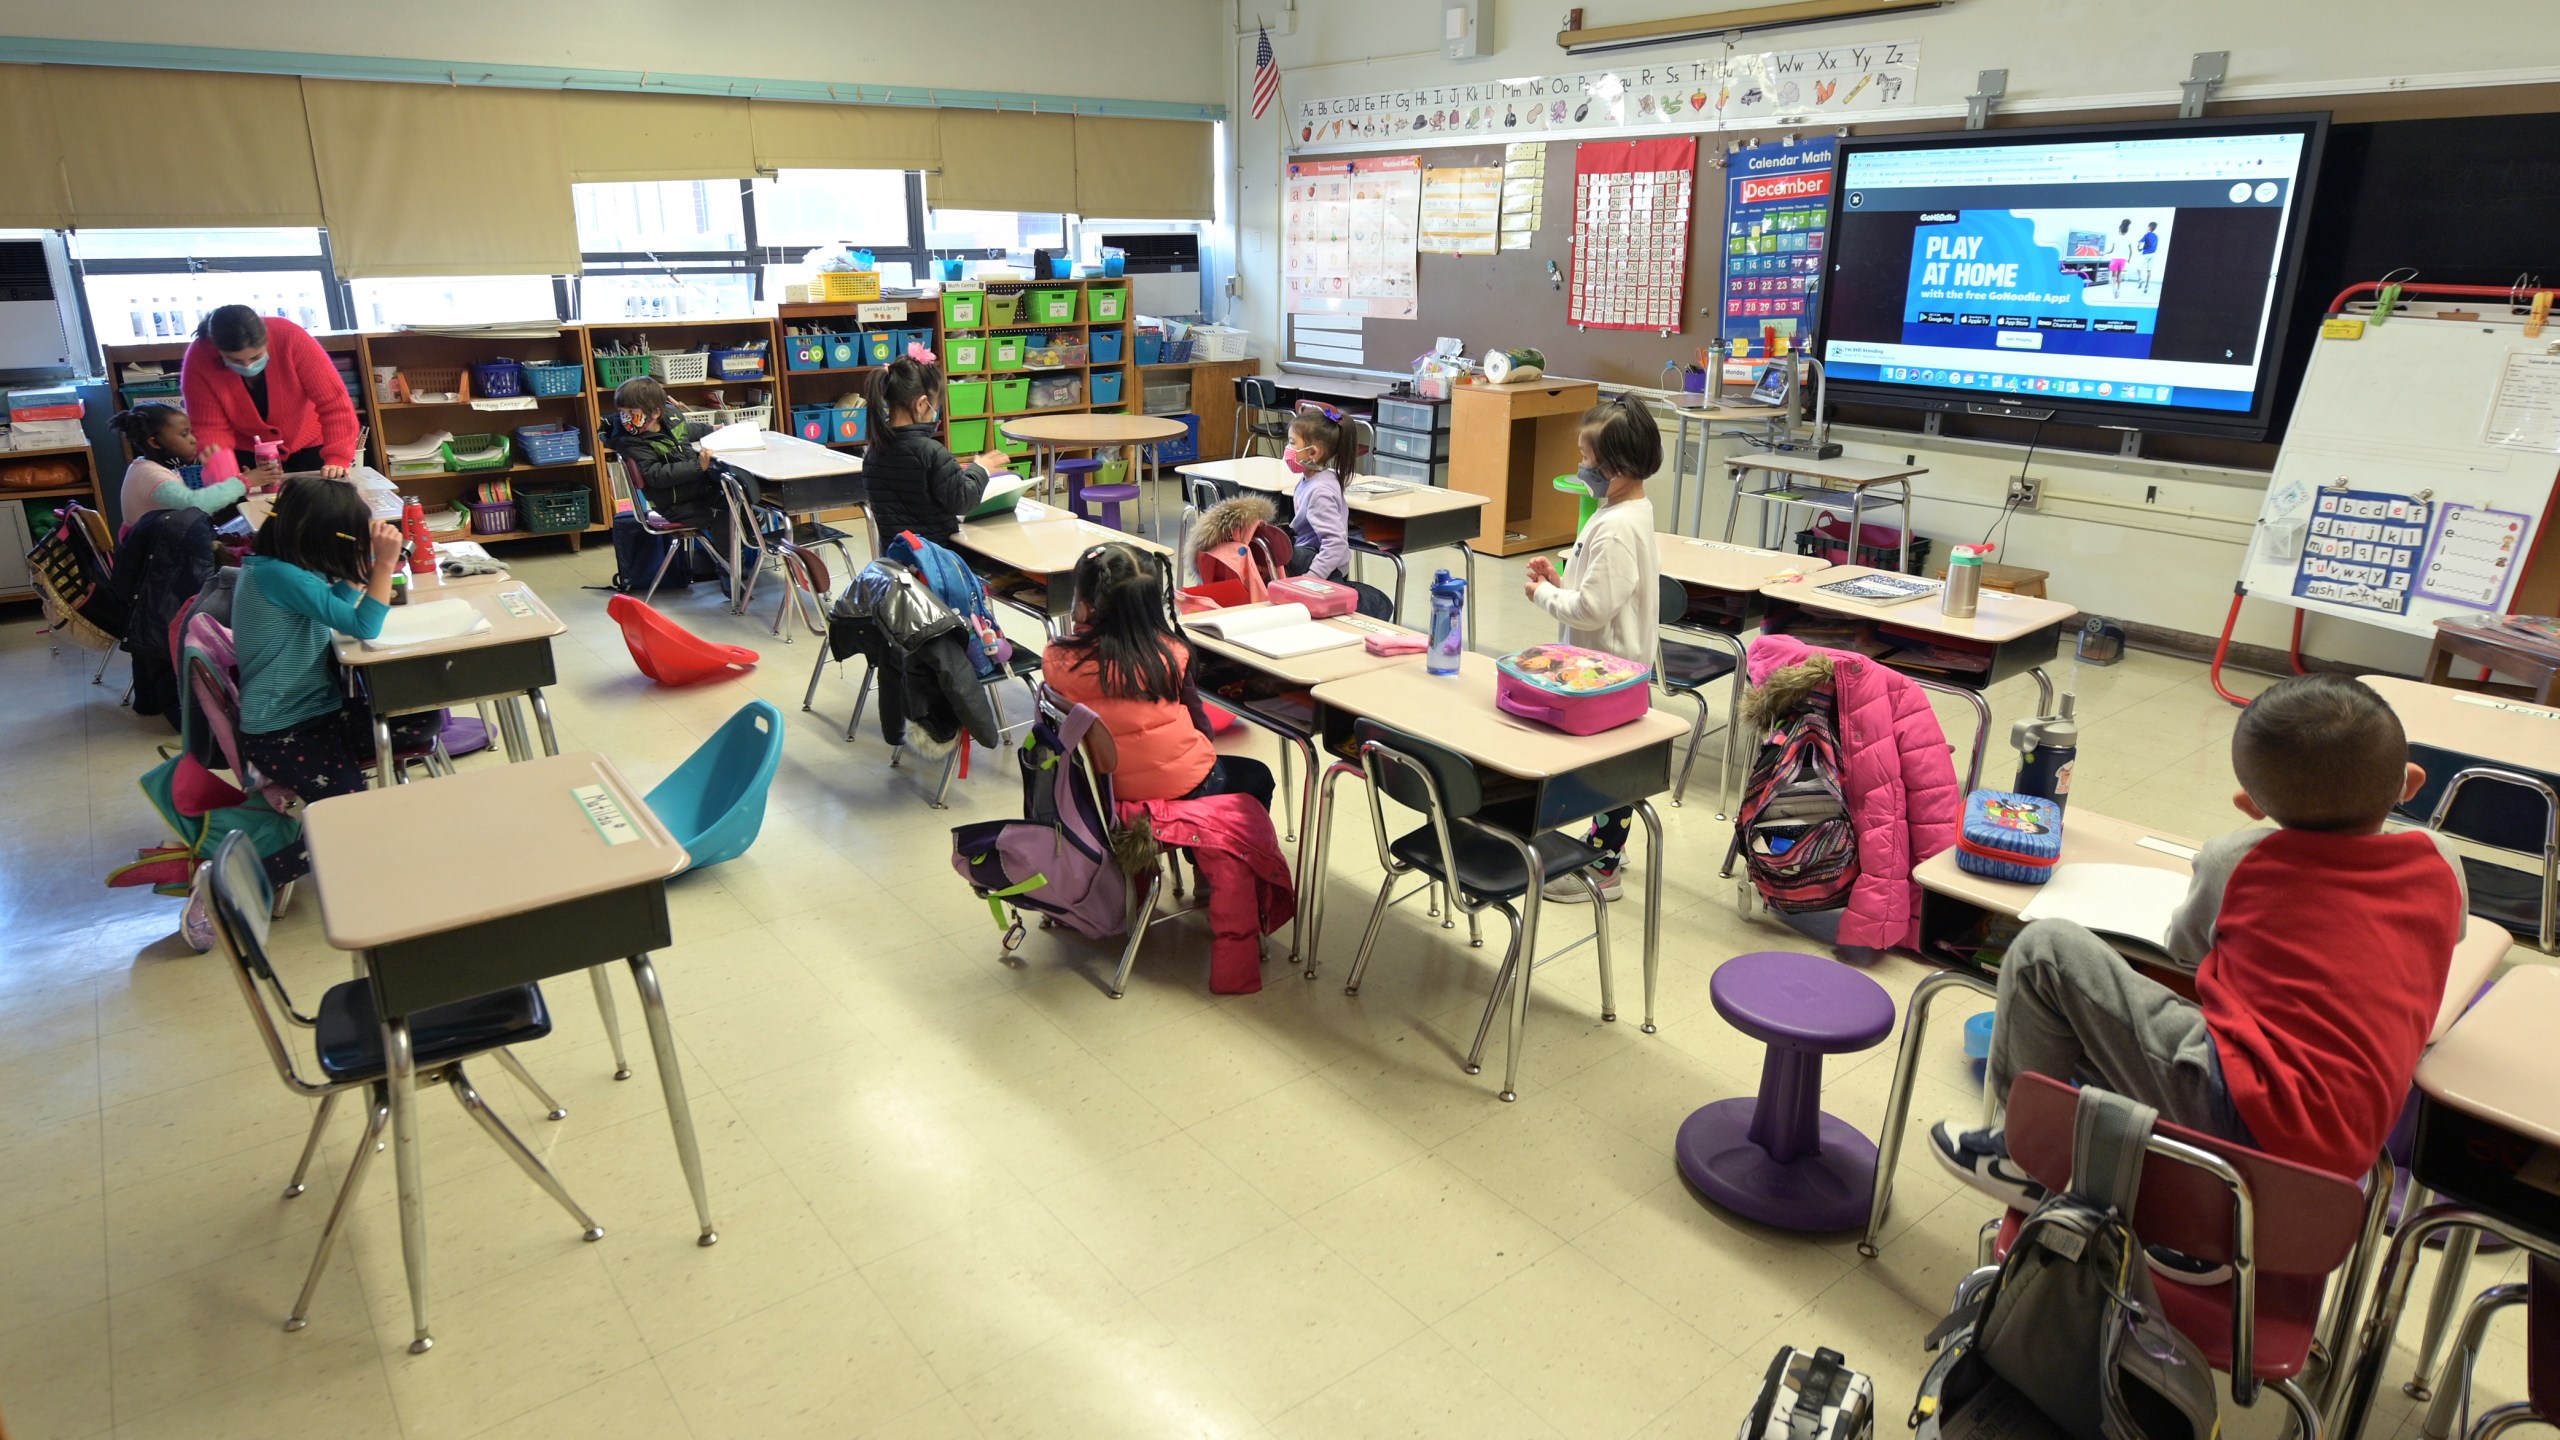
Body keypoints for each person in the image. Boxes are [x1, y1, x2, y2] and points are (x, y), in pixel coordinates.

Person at [1932, 674, 2465, 1226]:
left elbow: (2184, 950)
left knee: (2045, 951)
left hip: (2245, 1109)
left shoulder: (2237, 858)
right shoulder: (2441, 862)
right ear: (2411, 783)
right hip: (2354, 1139)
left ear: (2250, 804)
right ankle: (2115, 1162)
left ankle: (2027, 1158)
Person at [231, 476, 443, 885]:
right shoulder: (282, 576)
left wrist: (356, 580)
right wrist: (382, 565)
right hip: (283, 728)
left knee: (421, 720)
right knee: (348, 824)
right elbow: (365, 625)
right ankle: (239, 882)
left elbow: (328, 609)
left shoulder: (282, 568)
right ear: (323, 536)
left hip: (317, 711)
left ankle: (309, 778)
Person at [1530, 395, 1663, 903]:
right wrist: (1561, 580)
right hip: (1610, 662)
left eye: (1588, 459)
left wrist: (1544, 595)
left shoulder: (1616, 527)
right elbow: (1602, 592)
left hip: (1607, 672)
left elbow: (1590, 611)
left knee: (1606, 771)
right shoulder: (1626, 510)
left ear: (1620, 466)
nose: (1581, 467)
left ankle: (1604, 868)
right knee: (1608, 767)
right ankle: (1610, 844)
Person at [1045, 542, 1275, 809]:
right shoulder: (1170, 655)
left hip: (1097, 796)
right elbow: (1204, 730)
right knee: (1258, 776)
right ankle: (1208, 846)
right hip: (1174, 789)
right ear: (1151, 603)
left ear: (1083, 604)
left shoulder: (1055, 656)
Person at [180, 305, 360, 487]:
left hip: (308, 444)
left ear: (266, 340)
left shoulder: (290, 337)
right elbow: (210, 427)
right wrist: (226, 479)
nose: (248, 366)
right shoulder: (200, 357)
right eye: (236, 360)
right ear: (217, 350)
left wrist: (338, 457)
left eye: (256, 357)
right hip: (247, 453)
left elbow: (334, 402)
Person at [863, 352, 1009, 546]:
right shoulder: (932, 452)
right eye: (935, 407)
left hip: (898, 560)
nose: (935, 414)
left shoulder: (873, 452)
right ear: (922, 404)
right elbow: (963, 501)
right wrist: (980, 468)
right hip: (936, 560)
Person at [1279, 404, 1393, 619]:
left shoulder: (1319, 490)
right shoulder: (1316, 478)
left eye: (1293, 443)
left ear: (1313, 452)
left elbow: (1335, 544)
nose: (1288, 449)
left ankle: (1357, 602)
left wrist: (1310, 580)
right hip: (1317, 560)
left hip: (1323, 568)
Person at [112, 402, 252, 537]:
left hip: (161, 545)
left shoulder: (153, 466)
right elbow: (195, 506)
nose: (193, 440)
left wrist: (213, 474)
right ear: (154, 442)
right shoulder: (151, 475)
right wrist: (243, 482)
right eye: (184, 434)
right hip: (153, 554)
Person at [2108, 218, 2133, 296]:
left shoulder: (2115, 238)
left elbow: (2111, 250)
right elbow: (2131, 251)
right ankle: (2118, 290)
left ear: (2119, 229)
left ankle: (2114, 289)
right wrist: (2129, 260)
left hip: (2115, 259)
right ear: (2127, 230)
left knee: (2113, 275)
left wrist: (2104, 253)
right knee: (2119, 275)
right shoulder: (2129, 239)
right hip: (2123, 260)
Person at [2136, 220, 2161, 293]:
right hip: (2153, 254)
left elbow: (2139, 243)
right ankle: (2147, 285)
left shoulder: (2146, 235)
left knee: (2138, 268)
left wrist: (2139, 248)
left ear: (2149, 227)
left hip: (2145, 254)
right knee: (2149, 270)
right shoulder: (2156, 236)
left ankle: (2140, 279)